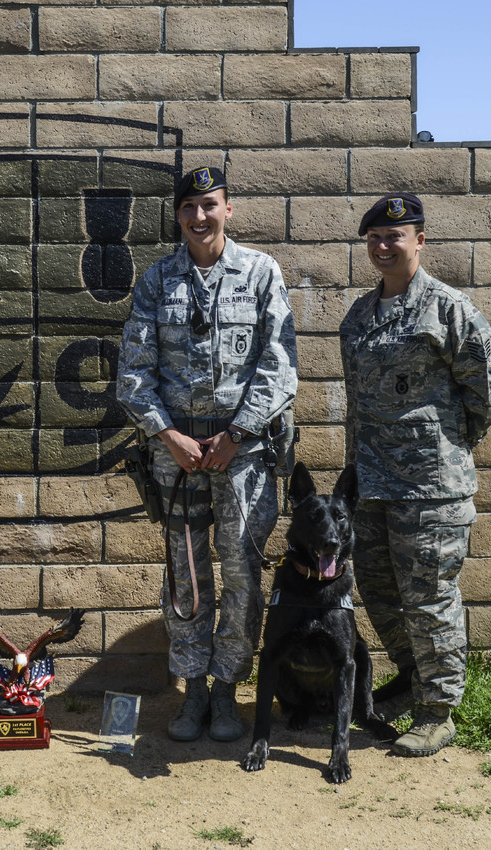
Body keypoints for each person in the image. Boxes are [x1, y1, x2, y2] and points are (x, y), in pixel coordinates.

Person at [116, 166, 298, 742]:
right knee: (185, 576)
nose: (200, 217)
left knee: (243, 574)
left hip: (241, 452)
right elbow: (133, 375)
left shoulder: (261, 272)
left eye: (210, 205)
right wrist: (167, 434)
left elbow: (279, 367)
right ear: (178, 214)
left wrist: (237, 434)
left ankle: (226, 692)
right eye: (189, 207)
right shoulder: (157, 280)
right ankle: (192, 692)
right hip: (177, 453)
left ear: (228, 209)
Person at [339, 192, 491, 757]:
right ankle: (415, 680)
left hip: (431, 490)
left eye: (395, 236)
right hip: (371, 487)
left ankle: (439, 712)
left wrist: (450, 448)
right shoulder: (359, 317)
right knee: (381, 594)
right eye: (375, 239)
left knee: (430, 598)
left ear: (419, 240)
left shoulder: (450, 310)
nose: (384, 246)